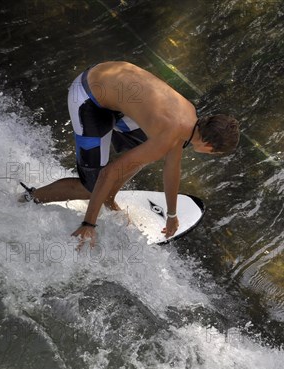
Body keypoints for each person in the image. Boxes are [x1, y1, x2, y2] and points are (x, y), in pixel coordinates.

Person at [20, 61, 239, 246]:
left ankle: (109, 198)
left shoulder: (189, 117)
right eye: (215, 154)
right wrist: (89, 224)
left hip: (113, 91)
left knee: (143, 152)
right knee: (92, 186)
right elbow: (110, 173)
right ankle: (29, 198)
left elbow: (173, 167)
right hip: (88, 98)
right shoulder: (168, 135)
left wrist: (172, 215)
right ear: (209, 147)